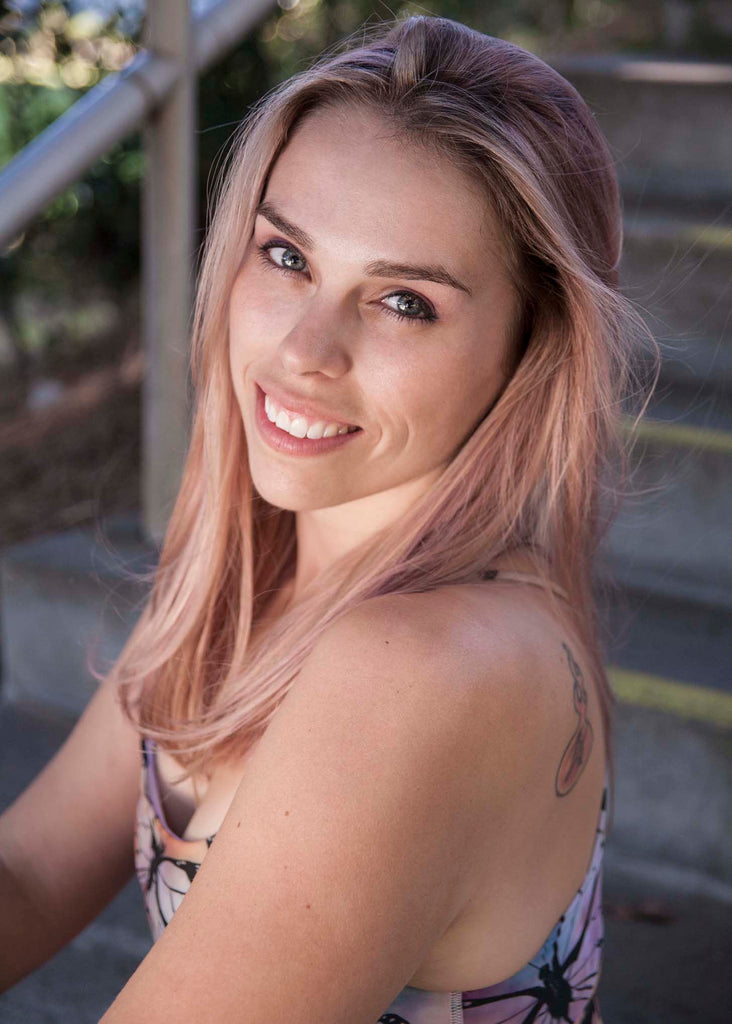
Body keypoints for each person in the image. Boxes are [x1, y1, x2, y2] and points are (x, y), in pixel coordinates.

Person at [0, 13, 657, 1023]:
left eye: (404, 303)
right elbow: (34, 871)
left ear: (531, 349)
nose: (308, 349)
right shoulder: (255, 568)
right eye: (287, 256)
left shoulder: (421, 667)